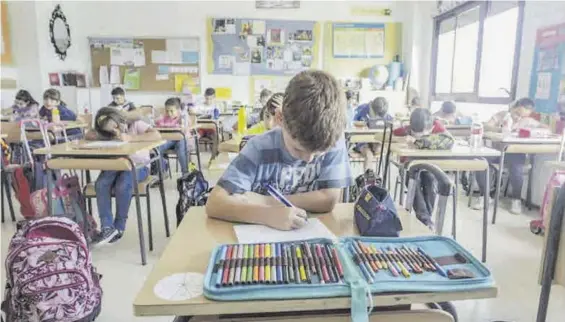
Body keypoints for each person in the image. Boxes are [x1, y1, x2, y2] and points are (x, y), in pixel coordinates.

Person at [206, 70, 353, 230]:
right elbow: (215, 203)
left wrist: (266, 202)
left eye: (318, 153)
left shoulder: (331, 139)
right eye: (298, 149)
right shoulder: (259, 147)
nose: (308, 159)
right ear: (280, 118)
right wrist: (266, 215)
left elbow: (329, 199)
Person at [85, 107, 162, 245]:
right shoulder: (106, 132)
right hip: (116, 164)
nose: (115, 130)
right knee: (101, 184)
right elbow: (88, 135)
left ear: (120, 119)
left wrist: (131, 138)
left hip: (138, 165)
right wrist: (103, 133)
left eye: (115, 126)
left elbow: (156, 135)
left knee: (123, 185)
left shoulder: (135, 124)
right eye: (110, 130)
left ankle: (119, 227)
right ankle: (107, 227)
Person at [472, 98, 547, 214]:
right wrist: (501, 128)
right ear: (516, 107)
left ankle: (516, 200)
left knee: (517, 167)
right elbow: (486, 126)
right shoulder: (502, 115)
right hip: (496, 152)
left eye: (525, 113)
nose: (520, 116)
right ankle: (484, 196)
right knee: (480, 161)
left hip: (515, 153)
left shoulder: (527, 120)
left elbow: (546, 129)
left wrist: (531, 132)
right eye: (519, 112)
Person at [393, 108, 454, 227]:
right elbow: (394, 133)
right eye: (416, 134)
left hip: (430, 165)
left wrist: (419, 141)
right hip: (409, 165)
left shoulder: (437, 126)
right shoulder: (408, 128)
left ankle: (425, 218)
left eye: (425, 134)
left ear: (431, 128)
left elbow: (449, 140)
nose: (420, 136)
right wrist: (405, 139)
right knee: (413, 179)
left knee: (431, 179)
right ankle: (425, 219)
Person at [352, 97, 394, 171]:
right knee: (369, 155)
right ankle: (368, 178)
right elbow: (353, 124)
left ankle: (374, 178)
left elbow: (391, 122)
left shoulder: (384, 111)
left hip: (376, 140)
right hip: (363, 140)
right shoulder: (362, 110)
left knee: (378, 149)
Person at [155, 97, 191, 174]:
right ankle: (162, 171)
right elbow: (158, 125)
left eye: (172, 111)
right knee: (157, 149)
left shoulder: (182, 117)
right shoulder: (164, 117)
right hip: (169, 140)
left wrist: (182, 124)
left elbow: (183, 129)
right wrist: (158, 120)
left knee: (181, 150)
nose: (169, 113)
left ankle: (186, 174)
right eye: (167, 111)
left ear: (178, 110)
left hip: (181, 140)